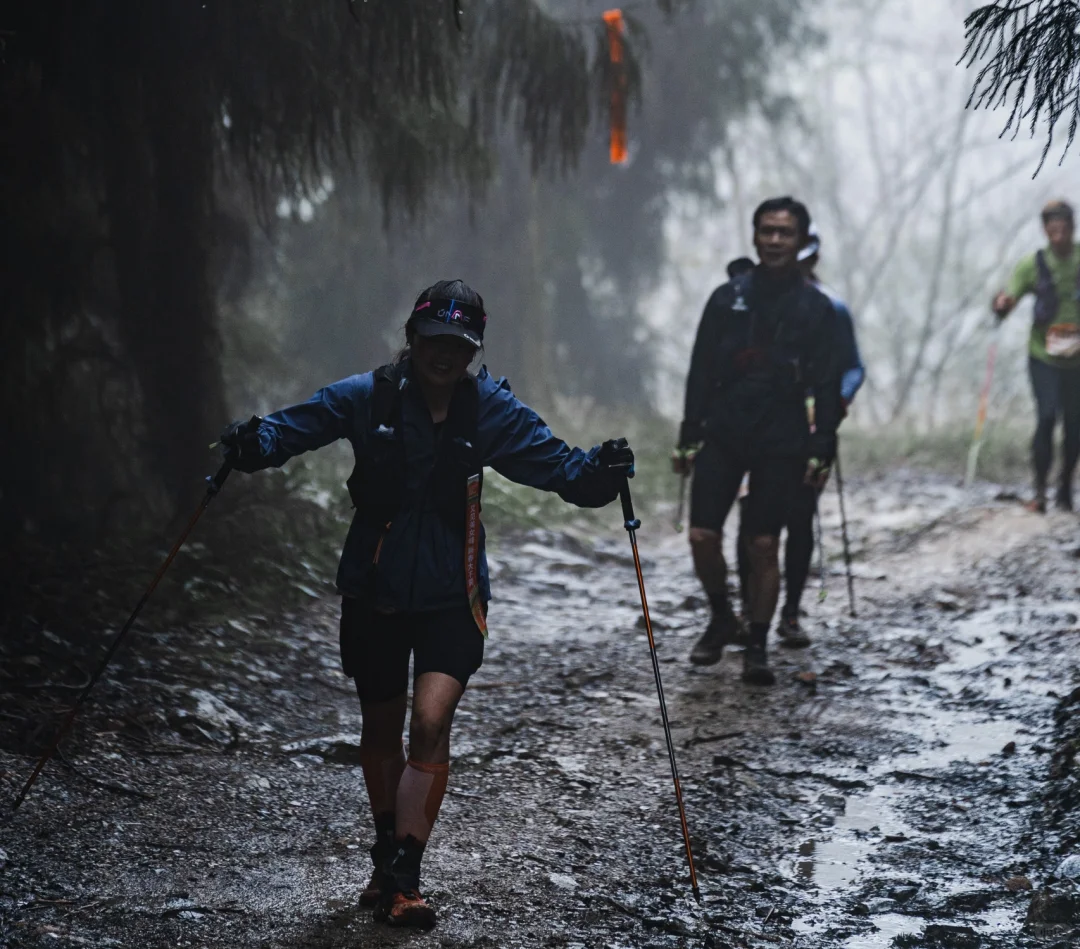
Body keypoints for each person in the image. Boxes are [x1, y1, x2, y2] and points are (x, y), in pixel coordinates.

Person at [219, 280, 634, 931]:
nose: (445, 354)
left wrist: (604, 470)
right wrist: (254, 443)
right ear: (413, 339)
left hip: (454, 593)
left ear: (473, 350)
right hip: (374, 591)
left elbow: (563, 471)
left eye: (459, 344)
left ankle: (405, 876)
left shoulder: (490, 411)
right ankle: (385, 855)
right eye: (435, 341)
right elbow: (299, 425)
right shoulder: (369, 396)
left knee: (431, 719)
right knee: (381, 728)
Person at [673, 198, 842, 687]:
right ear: (754, 237)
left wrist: (823, 443)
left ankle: (758, 643)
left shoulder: (817, 308)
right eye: (766, 231)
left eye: (784, 233)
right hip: (724, 427)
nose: (773, 240)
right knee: (703, 536)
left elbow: (827, 381)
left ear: (801, 241)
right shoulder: (727, 298)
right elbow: (700, 367)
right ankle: (723, 615)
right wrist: (689, 431)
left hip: (782, 433)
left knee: (764, 543)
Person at [771, 225, 864, 647]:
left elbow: (853, 367)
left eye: (805, 261)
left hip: (815, 425)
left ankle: (790, 612)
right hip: (764, 426)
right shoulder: (760, 305)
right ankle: (753, 609)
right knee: (757, 516)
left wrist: (836, 401)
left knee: (800, 515)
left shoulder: (832, 309)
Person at [993, 200, 1080, 512]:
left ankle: (1065, 488)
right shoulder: (1032, 264)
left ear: (1073, 227)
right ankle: (1040, 490)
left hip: (1077, 363)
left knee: (1075, 427)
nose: (1057, 236)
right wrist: (1002, 305)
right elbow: (1010, 298)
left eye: (1063, 229)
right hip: (1043, 355)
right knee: (1046, 416)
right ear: (1045, 231)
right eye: (1051, 230)